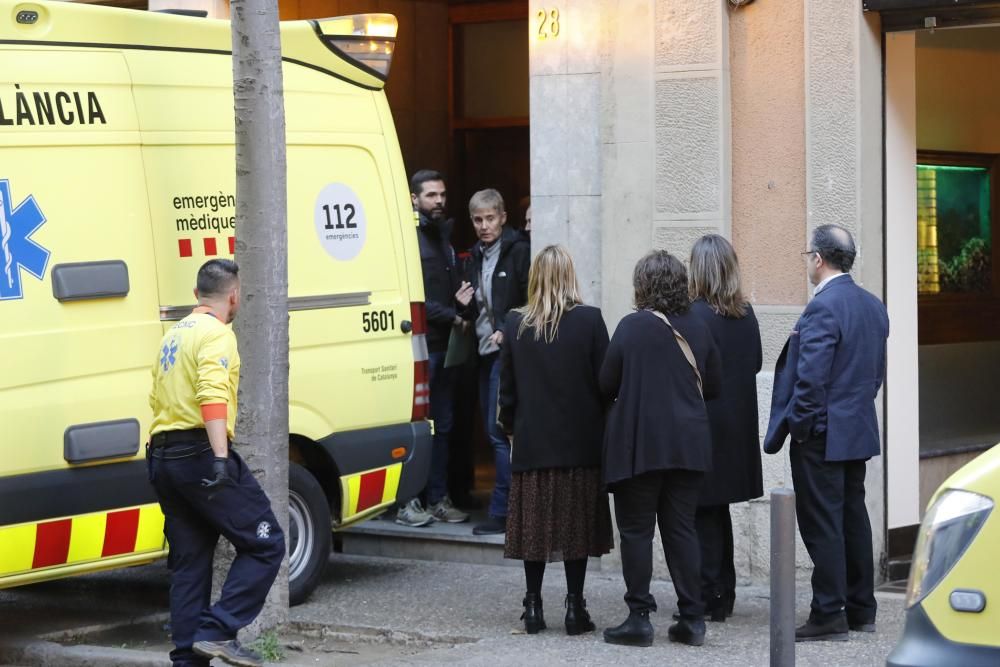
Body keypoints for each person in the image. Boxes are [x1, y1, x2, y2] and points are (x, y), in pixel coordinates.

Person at [147, 259, 285, 667]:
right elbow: (212, 396)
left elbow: (157, 400)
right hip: (201, 454)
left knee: (190, 564)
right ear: (234, 296)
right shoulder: (217, 334)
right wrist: (221, 460)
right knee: (266, 543)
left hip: (163, 456)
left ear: (196, 295)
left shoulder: (173, 335)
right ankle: (218, 629)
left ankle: (187, 661)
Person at [763, 224, 889, 642]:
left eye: (808, 257)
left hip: (822, 434)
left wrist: (801, 428)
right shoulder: (873, 305)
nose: (808, 264)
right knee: (853, 517)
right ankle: (861, 608)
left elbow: (810, 380)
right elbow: (875, 376)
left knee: (823, 525)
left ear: (818, 259)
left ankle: (829, 612)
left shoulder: (823, 308)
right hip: (855, 430)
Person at [600, 250, 721, 649]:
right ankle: (692, 618)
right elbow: (715, 385)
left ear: (642, 286)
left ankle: (639, 618)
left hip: (640, 443)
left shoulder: (631, 327)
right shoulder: (700, 326)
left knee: (636, 531)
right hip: (689, 443)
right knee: (681, 529)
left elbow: (606, 383)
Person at [498, 245, 614, 635]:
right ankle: (575, 608)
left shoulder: (515, 324)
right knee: (575, 528)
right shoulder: (591, 321)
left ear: (535, 278)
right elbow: (606, 384)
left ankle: (532, 607)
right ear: (569, 275)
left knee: (534, 530)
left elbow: (507, 393)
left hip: (532, 443)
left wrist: (511, 431)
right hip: (580, 443)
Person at [688, 234, 763, 621]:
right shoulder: (746, 314)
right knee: (718, 514)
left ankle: (707, 594)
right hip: (737, 425)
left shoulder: (694, 316)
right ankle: (724, 592)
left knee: (702, 514)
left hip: (705, 426)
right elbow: (754, 363)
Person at [395, 170, 469, 527]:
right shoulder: (408, 237)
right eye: (431, 195)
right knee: (416, 426)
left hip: (447, 348)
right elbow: (414, 296)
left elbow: (452, 288)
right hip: (420, 347)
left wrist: (460, 305)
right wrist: (452, 315)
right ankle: (408, 501)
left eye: (442, 194)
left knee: (444, 426)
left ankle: (438, 498)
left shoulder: (443, 239)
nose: (439, 200)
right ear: (414, 199)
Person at [456, 188, 530, 536]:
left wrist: (507, 330)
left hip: (508, 353)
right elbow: (479, 309)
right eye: (477, 220)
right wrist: (462, 303)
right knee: (493, 432)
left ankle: (502, 511)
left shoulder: (518, 253)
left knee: (498, 431)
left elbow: (531, 302)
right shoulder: (473, 257)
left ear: (502, 217)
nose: (484, 226)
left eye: (489, 218)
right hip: (483, 353)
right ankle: (506, 508)